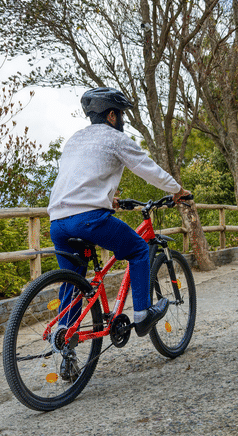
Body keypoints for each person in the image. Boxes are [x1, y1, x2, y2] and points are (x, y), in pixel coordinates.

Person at [48, 87, 191, 337]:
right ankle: (143, 314)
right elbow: (147, 168)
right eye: (122, 114)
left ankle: (63, 337)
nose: (123, 120)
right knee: (137, 249)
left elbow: (79, 178)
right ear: (112, 116)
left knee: (74, 280)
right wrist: (177, 190)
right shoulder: (115, 138)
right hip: (88, 219)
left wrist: (104, 198)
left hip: (58, 222)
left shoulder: (75, 139)